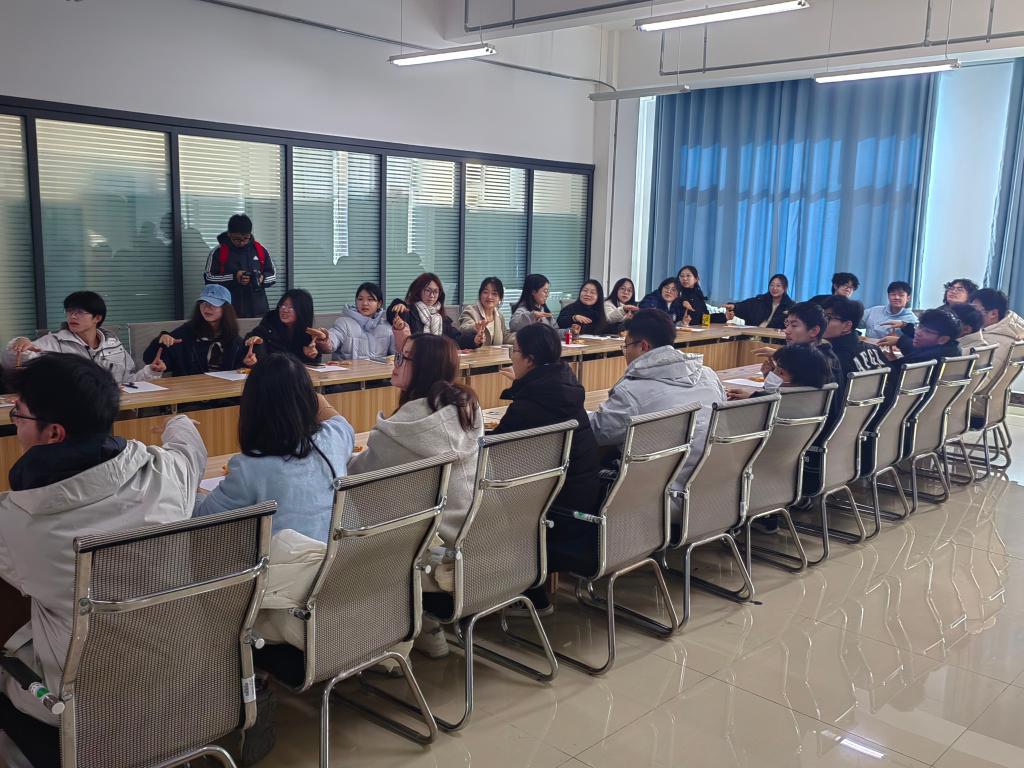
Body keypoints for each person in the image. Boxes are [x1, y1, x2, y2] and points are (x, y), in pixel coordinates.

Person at [0, 355, 205, 766]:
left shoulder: (18, 520)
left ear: (53, 433)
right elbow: (191, 449)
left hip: (81, 706)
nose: (15, 422)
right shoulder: (166, 474)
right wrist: (177, 422)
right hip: (184, 683)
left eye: (17, 414)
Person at [348, 333, 482, 658]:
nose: (394, 363)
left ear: (422, 368)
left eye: (402, 357)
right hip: (480, 542)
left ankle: (390, 640)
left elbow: (353, 481)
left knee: (356, 525)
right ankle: (424, 627)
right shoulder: (466, 411)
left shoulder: (398, 433)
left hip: (439, 558)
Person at [494, 323, 601, 615]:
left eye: (514, 352)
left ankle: (514, 590)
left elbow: (491, 454)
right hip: (581, 503)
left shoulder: (531, 405)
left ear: (529, 360)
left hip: (555, 514)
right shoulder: (565, 389)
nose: (512, 358)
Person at [195, 353, 355, 540]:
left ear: (252, 406)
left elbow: (201, 519)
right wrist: (302, 393)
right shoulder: (335, 437)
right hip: (340, 553)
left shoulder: (249, 467)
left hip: (285, 559)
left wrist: (195, 490)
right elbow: (335, 417)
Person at [589, 309, 725, 489]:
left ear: (643, 346)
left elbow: (598, 432)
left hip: (656, 492)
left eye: (626, 346)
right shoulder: (709, 375)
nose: (625, 353)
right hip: (713, 485)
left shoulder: (632, 391)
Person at [4, 291, 165, 384]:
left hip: (110, 407)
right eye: (69, 311)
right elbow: (10, 362)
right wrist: (19, 344)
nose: (73, 316)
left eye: (80, 312)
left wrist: (151, 371)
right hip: (72, 411)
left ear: (97, 318)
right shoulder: (54, 342)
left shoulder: (113, 344)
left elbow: (129, 381)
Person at [141, 285, 244, 376]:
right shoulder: (186, 332)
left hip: (225, 390)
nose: (206, 308)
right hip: (189, 389)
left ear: (226, 309)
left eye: (213, 304)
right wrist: (160, 341)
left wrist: (248, 363)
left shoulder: (234, 339)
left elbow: (241, 368)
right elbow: (151, 359)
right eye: (203, 303)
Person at [203, 213, 278, 318]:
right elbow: (209, 278)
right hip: (229, 312)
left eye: (246, 238)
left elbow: (273, 275)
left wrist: (261, 279)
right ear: (229, 234)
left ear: (250, 234)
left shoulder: (259, 250)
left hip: (258, 311)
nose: (242, 242)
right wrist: (234, 277)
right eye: (237, 239)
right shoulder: (218, 252)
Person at [754, 302, 842, 387]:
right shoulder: (825, 355)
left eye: (794, 325)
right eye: (787, 324)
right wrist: (771, 374)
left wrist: (780, 357)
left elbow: (777, 392)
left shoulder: (816, 363)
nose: (787, 331)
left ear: (814, 331)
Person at [387, 273, 480, 349]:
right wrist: (398, 305)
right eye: (428, 290)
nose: (432, 295)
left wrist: (474, 340)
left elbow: (456, 338)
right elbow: (393, 315)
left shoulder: (440, 317)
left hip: (435, 360)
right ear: (419, 290)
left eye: (435, 292)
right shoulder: (408, 311)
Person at [244, 289, 331, 367]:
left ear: (302, 310)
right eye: (283, 305)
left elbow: (311, 366)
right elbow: (257, 358)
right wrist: (252, 360)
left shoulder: (307, 333)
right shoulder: (265, 329)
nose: (285, 310)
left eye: (291, 307)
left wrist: (312, 356)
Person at [728, 343, 832, 400]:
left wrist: (752, 400)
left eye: (780, 372)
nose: (773, 374)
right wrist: (752, 397)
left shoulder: (780, 406)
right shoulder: (814, 397)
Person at [971, 288, 1024, 395]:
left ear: (993, 314)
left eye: (974, 310)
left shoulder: (992, 343)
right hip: (990, 400)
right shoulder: (1012, 333)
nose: (970, 314)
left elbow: (975, 386)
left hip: (972, 399)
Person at [820, 296, 888, 380]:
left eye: (828, 317)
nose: (821, 321)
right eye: (822, 316)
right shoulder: (874, 349)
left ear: (847, 326)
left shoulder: (833, 358)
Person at [327, 282, 395, 361]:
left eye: (370, 299)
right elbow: (331, 343)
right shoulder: (343, 323)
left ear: (379, 304)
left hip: (378, 370)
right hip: (346, 369)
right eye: (360, 299)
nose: (364, 303)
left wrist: (401, 329)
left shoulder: (387, 327)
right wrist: (324, 340)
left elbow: (398, 354)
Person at [714, 274, 794, 329]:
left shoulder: (790, 306)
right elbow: (744, 306)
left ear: (785, 288)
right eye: (772, 285)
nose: (774, 288)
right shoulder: (760, 300)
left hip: (774, 340)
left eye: (778, 286)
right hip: (753, 336)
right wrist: (734, 306)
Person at [458, 277, 509, 347]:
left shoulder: (500, 316)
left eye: (494, 293)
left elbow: (505, 336)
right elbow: (464, 327)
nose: (489, 297)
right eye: (485, 292)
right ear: (480, 295)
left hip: (496, 354)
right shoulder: (470, 311)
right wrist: (474, 327)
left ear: (500, 298)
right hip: (475, 354)